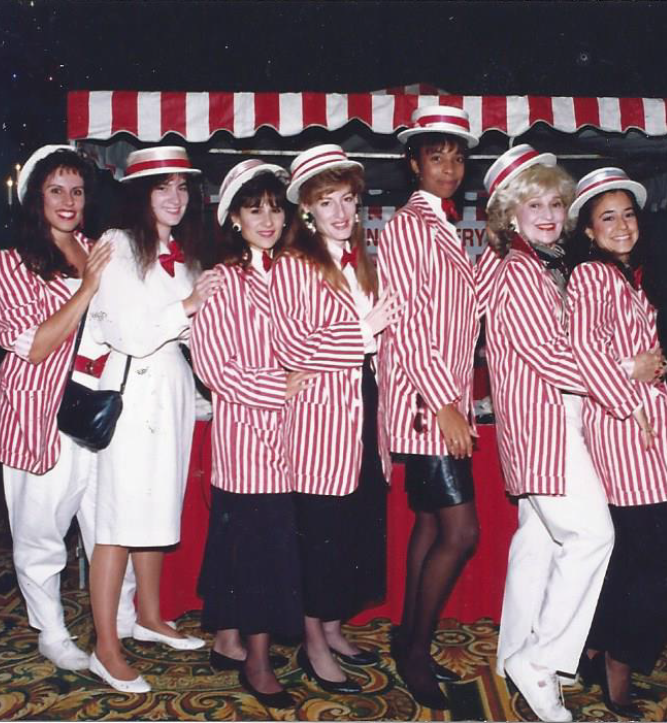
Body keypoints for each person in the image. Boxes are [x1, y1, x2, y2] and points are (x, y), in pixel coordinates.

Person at [481, 145, 615, 723]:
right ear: (510, 213)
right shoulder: (519, 269)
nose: (547, 212)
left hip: (556, 418)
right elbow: (550, 356)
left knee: (538, 542)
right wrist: (623, 379)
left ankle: (514, 652)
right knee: (592, 538)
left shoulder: (544, 262)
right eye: (533, 203)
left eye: (555, 202)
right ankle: (542, 662)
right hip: (544, 425)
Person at [87, 146, 223, 692]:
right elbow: (129, 333)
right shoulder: (118, 247)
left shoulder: (177, 250)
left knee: (157, 510)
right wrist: (188, 305)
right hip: (133, 396)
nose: (174, 197)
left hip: (170, 394)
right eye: (162, 186)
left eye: (182, 187)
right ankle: (105, 647)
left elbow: (190, 332)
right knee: (118, 523)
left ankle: (148, 617)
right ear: (139, 194)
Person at [565, 167, 667, 715]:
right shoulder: (593, 276)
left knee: (635, 557)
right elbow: (581, 352)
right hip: (624, 431)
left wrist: (651, 370)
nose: (622, 225)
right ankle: (618, 659)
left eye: (628, 214)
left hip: (645, 429)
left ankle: (596, 649)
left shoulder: (625, 278)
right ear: (589, 232)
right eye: (608, 217)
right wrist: (629, 383)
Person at [0, 145, 137, 672]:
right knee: (41, 529)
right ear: (35, 197)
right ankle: (50, 631)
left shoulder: (97, 247)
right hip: (40, 417)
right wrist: (88, 288)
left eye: (76, 190)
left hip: (99, 414)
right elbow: (34, 345)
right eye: (56, 189)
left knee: (110, 520)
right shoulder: (12, 264)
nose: (68, 200)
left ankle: (118, 620)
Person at [270, 145, 399, 695]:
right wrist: (364, 331)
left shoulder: (361, 258)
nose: (342, 214)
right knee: (320, 534)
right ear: (307, 210)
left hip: (366, 408)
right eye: (328, 203)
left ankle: (333, 625)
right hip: (321, 418)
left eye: (348, 200)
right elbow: (292, 345)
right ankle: (312, 641)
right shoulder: (294, 264)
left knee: (353, 529)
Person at [376, 105, 481, 710]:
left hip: (439, 400)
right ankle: (416, 647)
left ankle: (407, 635)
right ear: (413, 162)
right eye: (436, 156)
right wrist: (444, 403)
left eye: (456, 156)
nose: (448, 167)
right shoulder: (408, 227)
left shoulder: (445, 226)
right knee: (461, 532)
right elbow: (409, 325)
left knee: (431, 524)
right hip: (424, 404)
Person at [191, 160, 306, 709]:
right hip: (245, 441)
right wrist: (281, 387)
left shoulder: (292, 274)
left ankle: (228, 639)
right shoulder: (220, 281)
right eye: (255, 209)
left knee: (250, 547)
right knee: (258, 550)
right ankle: (257, 663)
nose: (268, 218)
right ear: (233, 217)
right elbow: (215, 369)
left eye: (275, 207)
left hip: (294, 440)